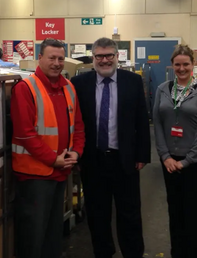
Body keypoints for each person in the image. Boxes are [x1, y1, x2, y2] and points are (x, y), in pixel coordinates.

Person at [71, 38, 151, 258]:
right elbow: (75, 124)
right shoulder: (80, 84)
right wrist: (77, 156)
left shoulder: (132, 81)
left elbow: (142, 120)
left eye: (109, 56)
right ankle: (103, 253)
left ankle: (133, 253)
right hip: (93, 160)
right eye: (99, 56)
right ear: (93, 58)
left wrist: (143, 155)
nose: (104, 60)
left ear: (117, 57)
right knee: (97, 214)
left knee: (130, 213)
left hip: (125, 159)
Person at [10, 38, 85, 258]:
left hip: (60, 173)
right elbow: (25, 134)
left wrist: (76, 152)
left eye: (60, 58)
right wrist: (54, 159)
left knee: (53, 234)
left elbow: (78, 127)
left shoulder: (68, 87)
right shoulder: (25, 89)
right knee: (33, 236)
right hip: (34, 176)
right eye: (51, 58)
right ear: (40, 58)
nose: (56, 63)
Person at [153, 44, 197, 258]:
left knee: (192, 212)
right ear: (172, 65)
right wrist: (165, 156)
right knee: (174, 211)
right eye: (177, 64)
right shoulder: (162, 89)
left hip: (195, 162)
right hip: (170, 162)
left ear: (193, 65)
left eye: (185, 64)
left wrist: (187, 161)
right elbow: (157, 124)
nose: (181, 68)